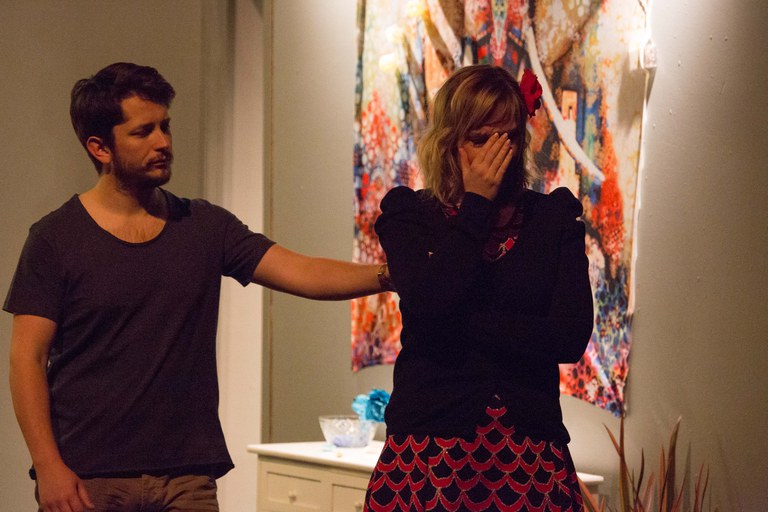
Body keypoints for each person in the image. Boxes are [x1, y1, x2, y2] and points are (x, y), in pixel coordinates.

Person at [4, 62, 391, 512]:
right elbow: (26, 359)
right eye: (143, 131)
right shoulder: (55, 239)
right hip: (90, 479)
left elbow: (303, 273)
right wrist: (47, 465)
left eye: (165, 126)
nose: (163, 142)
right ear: (100, 147)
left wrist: (392, 275)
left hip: (186, 477)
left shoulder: (204, 226)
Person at [365, 64, 594, 511]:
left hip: (528, 457)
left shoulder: (553, 219)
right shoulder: (411, 217)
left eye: (507, 138)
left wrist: (459, 325)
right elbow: (430, 304)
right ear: (449, 141)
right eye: (480, 139)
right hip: (429, 455)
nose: (496, 154)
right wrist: (476, 205)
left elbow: (568, 337)